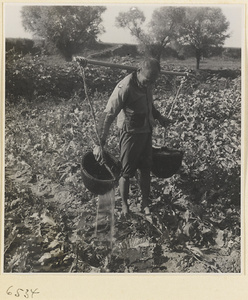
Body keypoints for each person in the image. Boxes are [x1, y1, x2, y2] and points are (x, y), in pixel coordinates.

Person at [94, 58, 171, 217]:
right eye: (147, 80)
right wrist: (99, 144)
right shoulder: (125, 86)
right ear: (139, 71)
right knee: (126, 172)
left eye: (153, 81)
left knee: (145, 169)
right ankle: (124, 205)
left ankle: (145, 202)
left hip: (146, 132)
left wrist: (159, 117)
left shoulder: (147, 82)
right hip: (130, 133)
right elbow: (107, 115)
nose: (149, 84)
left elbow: (149, 105)